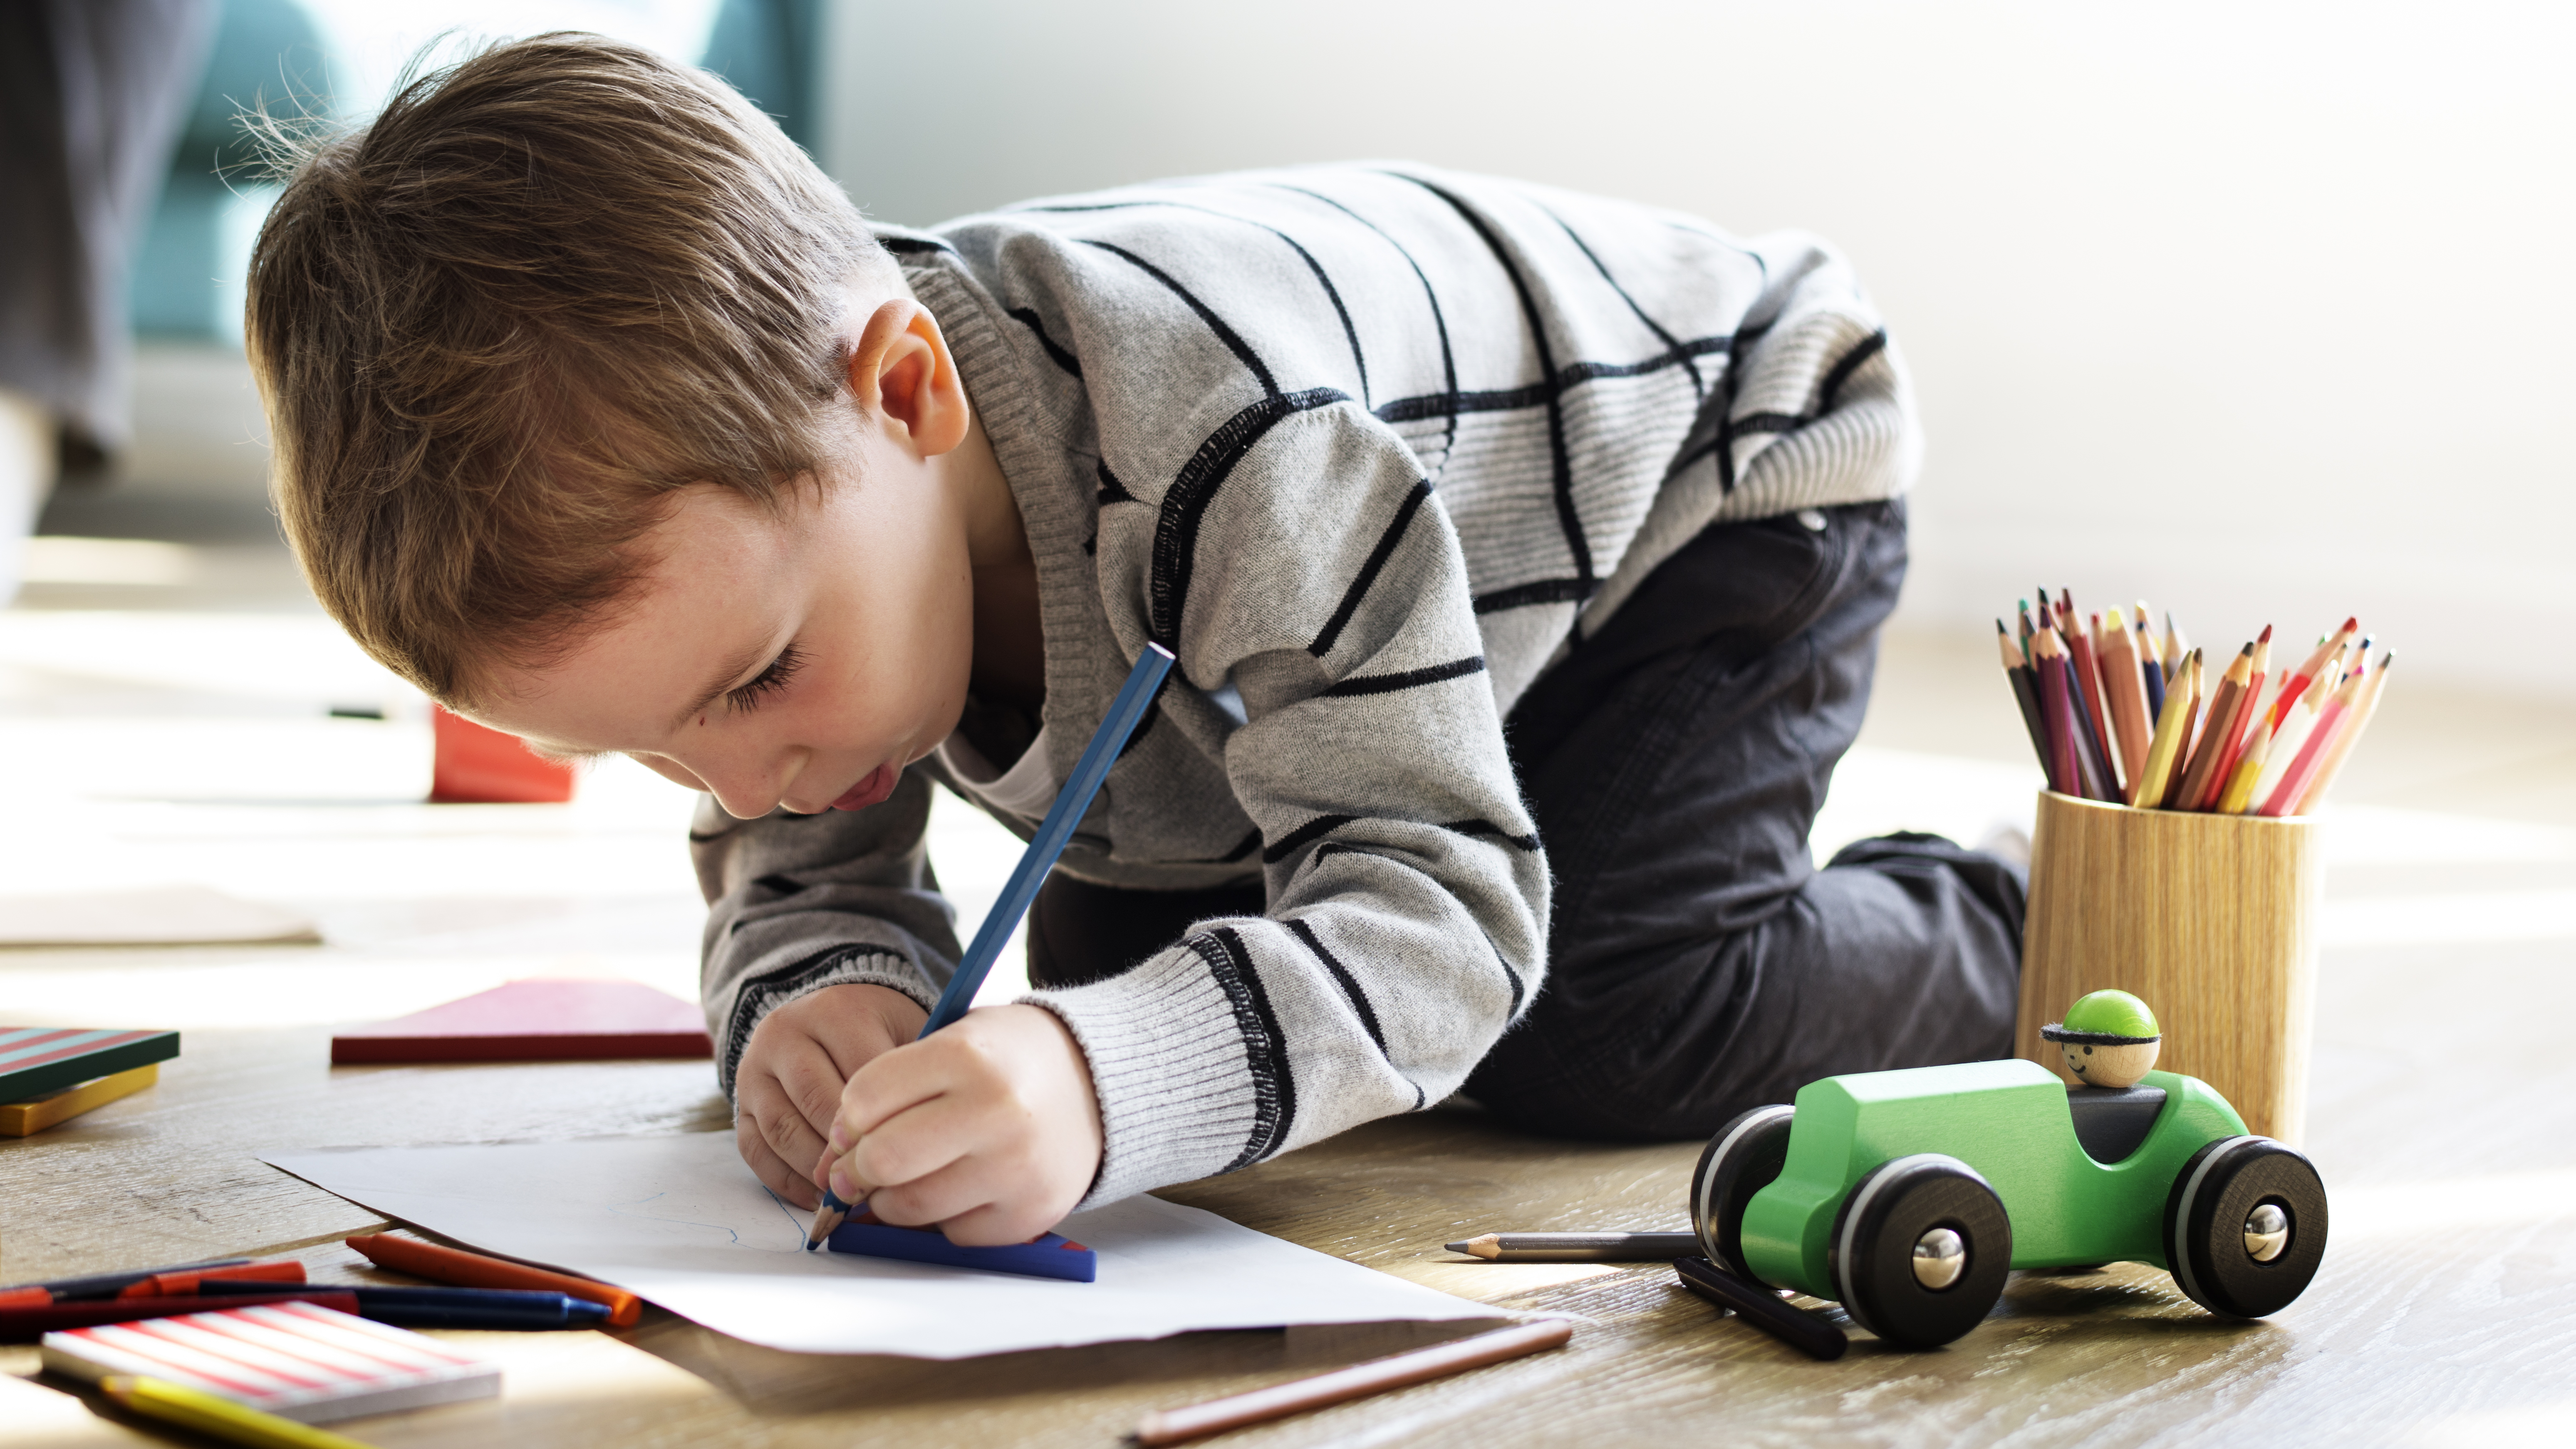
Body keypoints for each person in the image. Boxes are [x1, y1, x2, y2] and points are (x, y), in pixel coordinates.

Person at [245, 34, 2025, 1248]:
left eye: (750, 686)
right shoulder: (779, 545)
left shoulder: (1236, 449)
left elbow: (1453, 912)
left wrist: (1104, 1082)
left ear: (907, 389)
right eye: (650, 751)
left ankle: (2008, 910)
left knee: (1591, 1016)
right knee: (1117, 976)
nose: (743, 785)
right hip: (1340, 610)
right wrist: (816, 992)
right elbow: (800, 853)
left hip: (1712, 471)